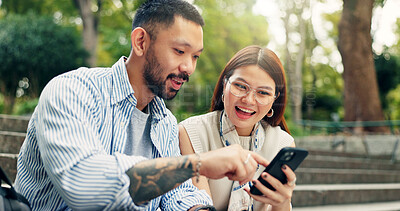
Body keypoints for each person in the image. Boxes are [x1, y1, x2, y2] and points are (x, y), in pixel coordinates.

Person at [14, 1, 268, 210]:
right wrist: (197, 163)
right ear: (140, 42)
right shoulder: (72, 91)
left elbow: (179, 195)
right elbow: (84, 186)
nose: (189, 67)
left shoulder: (165, 122)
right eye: (179, 51)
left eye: (195, 57)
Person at [179, 45, 296, 211]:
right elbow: (199, 205)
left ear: (274, 99)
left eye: (263, 93)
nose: (248, 100)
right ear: (225, 84)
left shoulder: (282, 144)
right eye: (240, 86)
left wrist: (282, 203)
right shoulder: (190, 132)